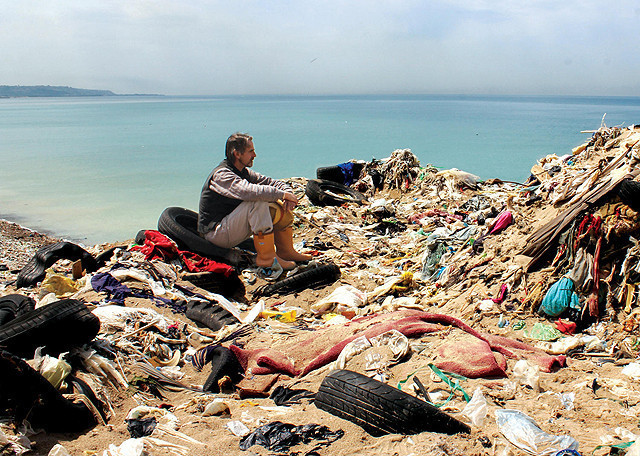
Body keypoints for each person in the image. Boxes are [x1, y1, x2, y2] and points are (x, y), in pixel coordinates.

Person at [198, 132, 312, 269]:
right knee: (257, 201)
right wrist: (281, 195)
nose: (254, 155)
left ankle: (286, 252)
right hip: (215, 234)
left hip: (230, 228)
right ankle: (267, 259)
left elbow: (271, 182)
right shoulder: (222, 175)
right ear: (237, 154)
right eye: (250, 151)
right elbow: (248, 191)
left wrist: (287, 194)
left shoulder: (244, 172)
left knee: (277, 204)